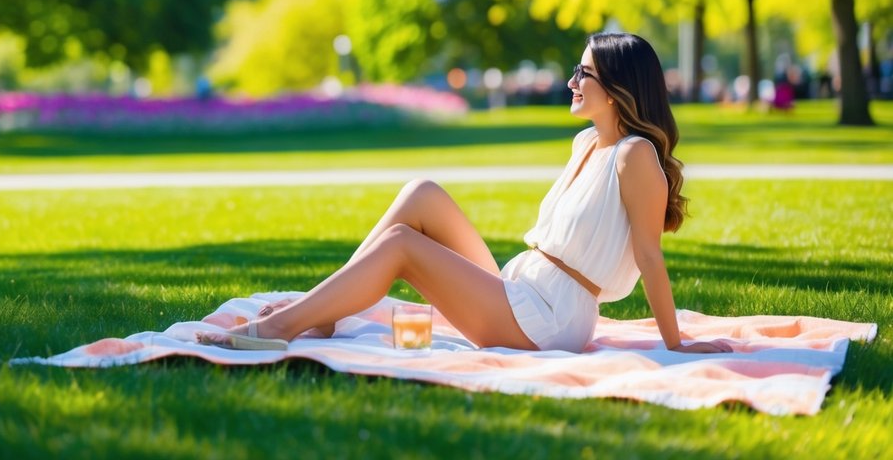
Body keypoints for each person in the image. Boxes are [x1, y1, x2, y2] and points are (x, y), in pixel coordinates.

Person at [198, 32, 732, 354]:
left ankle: (281, 328)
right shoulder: (587, 143)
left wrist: (677, 342)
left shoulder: (635, 155)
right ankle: (326, 309)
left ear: (617, 90)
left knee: (403, 245)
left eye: (584, 73)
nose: (571, 81)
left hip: (551, 316)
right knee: (423, 193)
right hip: (524, 288)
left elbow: (649, 257)